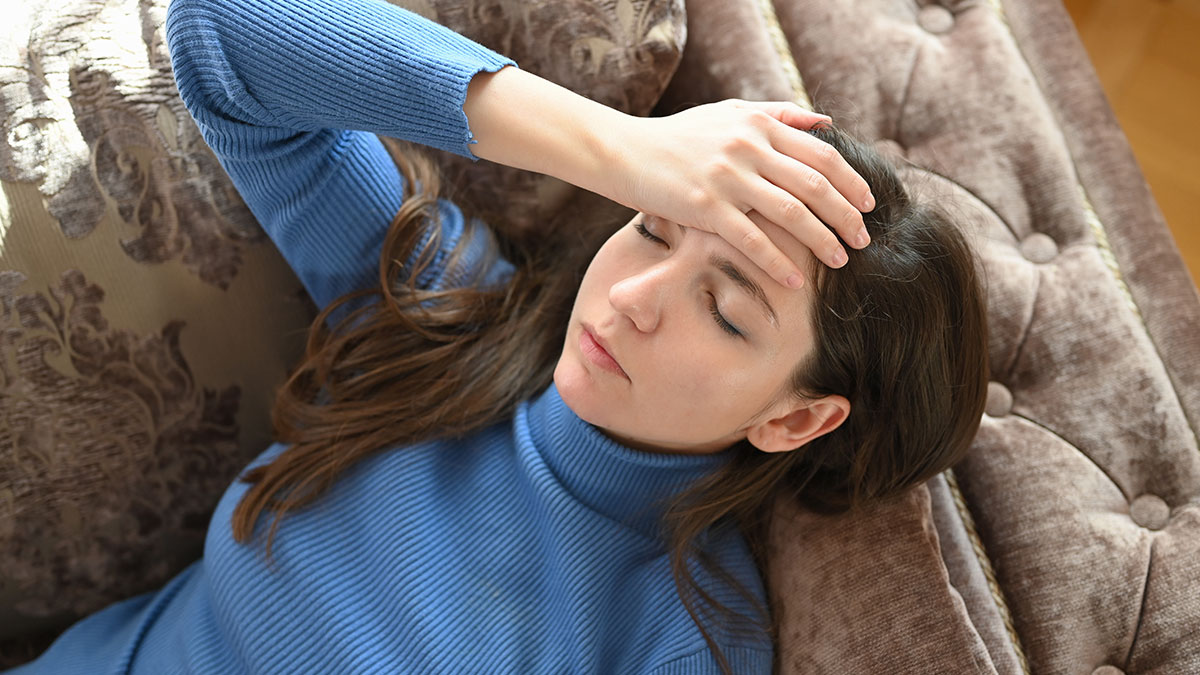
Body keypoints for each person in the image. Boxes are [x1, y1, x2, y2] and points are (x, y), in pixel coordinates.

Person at [8, 0, 989, 672]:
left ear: (795, 417)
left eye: (726, 311)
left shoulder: (678, 639)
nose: (635, 296)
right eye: (649, 227)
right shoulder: (449, 308)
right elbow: (226, 34)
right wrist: (631, 150)